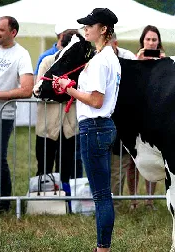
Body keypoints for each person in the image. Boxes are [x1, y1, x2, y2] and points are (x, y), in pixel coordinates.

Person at [55, 8, 121, 251]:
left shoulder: (101, 60)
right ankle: (103, 246)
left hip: (93, 126)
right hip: (102, 126)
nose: (85, 28)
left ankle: (103, 248)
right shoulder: (108, 57)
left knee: (101, 195)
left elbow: (95, 100)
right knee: (103, 193)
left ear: (103, 29)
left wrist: (67, 87)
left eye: (90, 25)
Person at [0, 16, 33, 213]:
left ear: (13, 32)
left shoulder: (22, 55)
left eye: (1, 29)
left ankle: (1, 203)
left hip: (2, 114)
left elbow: (27, 90)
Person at [35, 31, 83, 184]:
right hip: (47, 125)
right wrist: (67, 93)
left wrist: (64, 91)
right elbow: (38, 90)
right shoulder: (47, 62)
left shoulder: (80, 67)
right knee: (44, 166)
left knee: (66, 167)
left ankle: (65, 201)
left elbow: (83, 91)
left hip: (69, 126)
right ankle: (43, 200)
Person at [128, 25, 165, 210]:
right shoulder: (134, 60)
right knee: (133, 161)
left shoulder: (164, 61)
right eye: (148, 39)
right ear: (142, 41)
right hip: (136, 117)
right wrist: (138, 62)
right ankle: (133, 200)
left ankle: (150, 200)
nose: (151, 43)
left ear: (159, 42)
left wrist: (164, 64)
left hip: (156, 116)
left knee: (154, 159)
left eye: (154, 39)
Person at [109, 32, 136, 211]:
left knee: (119, 166)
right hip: (104, 118)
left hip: (124, 120)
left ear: (115, 43)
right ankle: (109, 202)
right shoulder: (96, 58)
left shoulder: (128, 58)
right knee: (108, 166)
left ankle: (116, 203)